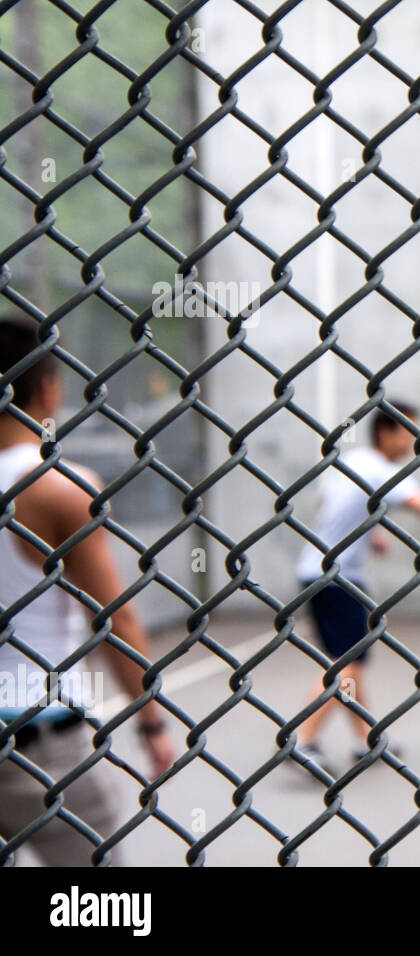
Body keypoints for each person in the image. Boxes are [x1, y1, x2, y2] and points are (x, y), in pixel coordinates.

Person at [0, 317, 175, 865]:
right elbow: (113, 618)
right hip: (41, 738)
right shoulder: (58, 487)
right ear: (47, 386)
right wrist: (151, 720)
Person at [293, 400, 420, 775]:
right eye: (409, 432)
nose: (415, 441)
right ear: (386, 431)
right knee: (347, 662)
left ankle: (365, 741)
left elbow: (331, 501)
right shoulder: (382, 470)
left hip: (320, 573)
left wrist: (372, 533)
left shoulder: (355, 461)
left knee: (351, 660)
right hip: (335, 579)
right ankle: (302, 740)